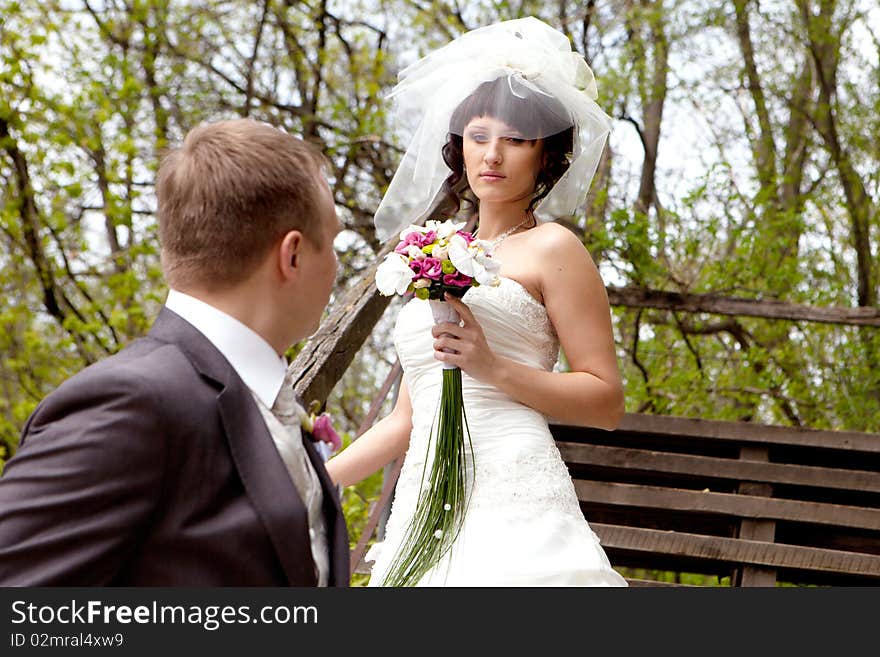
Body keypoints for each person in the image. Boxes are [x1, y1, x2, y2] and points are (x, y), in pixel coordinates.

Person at [326, 17, 628, 586]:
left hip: (514, 492)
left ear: (546, 155)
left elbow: (605, 400)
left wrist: (491, 366)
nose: (493, 155)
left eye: (516, 140)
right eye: (479, 136)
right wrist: (313, 482)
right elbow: (407, 418)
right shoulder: (436, 249)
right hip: (424, 499)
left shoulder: (554, 248)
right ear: (459, 144)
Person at [0, 119, 349, 586]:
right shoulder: (129, 404)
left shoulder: (263, 398)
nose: (338, 266)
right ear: (293, 255)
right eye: (335, 241)